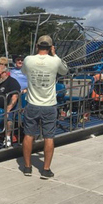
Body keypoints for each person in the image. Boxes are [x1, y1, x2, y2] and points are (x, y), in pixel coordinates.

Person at [21, 35, 68, 179]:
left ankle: (27, 167)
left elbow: (24, 72)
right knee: (49, 137)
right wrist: (55, 54)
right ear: (50, 47)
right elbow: (64, 71)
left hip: (32, 104)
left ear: (37, 46)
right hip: (49, 105)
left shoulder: (28, 60)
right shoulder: (55, 61)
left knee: (29, 135)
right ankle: (46, 169)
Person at [0, 64, 21, 147]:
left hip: (9, 105)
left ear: (5, 73)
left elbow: (15, 96)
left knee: (8, 116)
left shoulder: (12, 82)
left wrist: (9, 107)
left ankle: (8, 137)